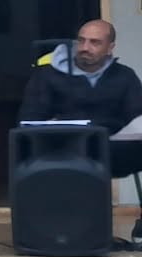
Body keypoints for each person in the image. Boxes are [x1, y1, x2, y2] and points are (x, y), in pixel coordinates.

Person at [20, 19, 142, 178]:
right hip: (61, 147)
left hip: (113, 148)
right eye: (81, 40)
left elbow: (137, 116)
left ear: (110, 48)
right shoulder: (47, 75)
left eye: (94, 42)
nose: (85, 47)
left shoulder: (124, 75)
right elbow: (29, 118)